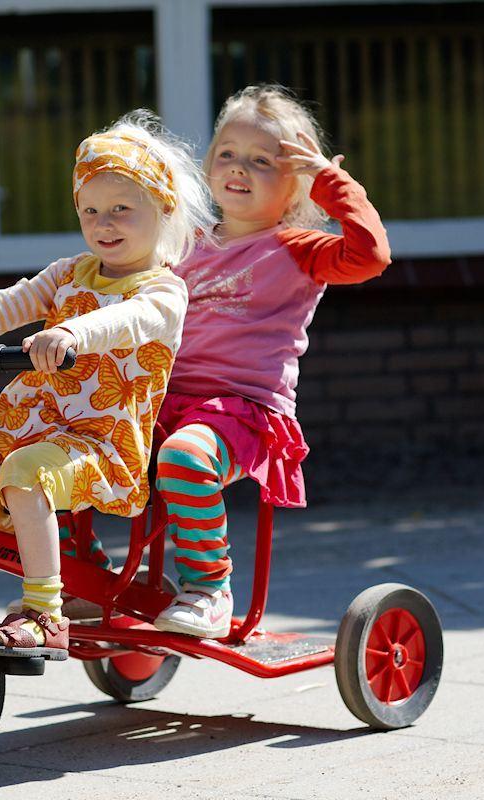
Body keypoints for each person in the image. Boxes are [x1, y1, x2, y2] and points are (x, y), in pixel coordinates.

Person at [0, 110, 213, 660]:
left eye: (123, 208)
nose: (105, 223)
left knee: (28, 474)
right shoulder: (66, 275)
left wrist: (73, 331)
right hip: (23, 436)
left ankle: (45, 614)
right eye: (91, 209)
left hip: (100, 445)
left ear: (162, 208)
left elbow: (127, 322)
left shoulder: (164, 292)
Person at [151, 84, 392, 638]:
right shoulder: (181, 242)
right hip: (165, 401)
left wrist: (331, 184)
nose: (240, 167)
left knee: (184, 458)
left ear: (294, 187)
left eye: (263, 161)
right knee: (77, 444)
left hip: (241, 412)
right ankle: (82, 572)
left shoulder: (297, 246)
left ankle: (208, 588)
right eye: (228, 154)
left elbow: (370, 256)